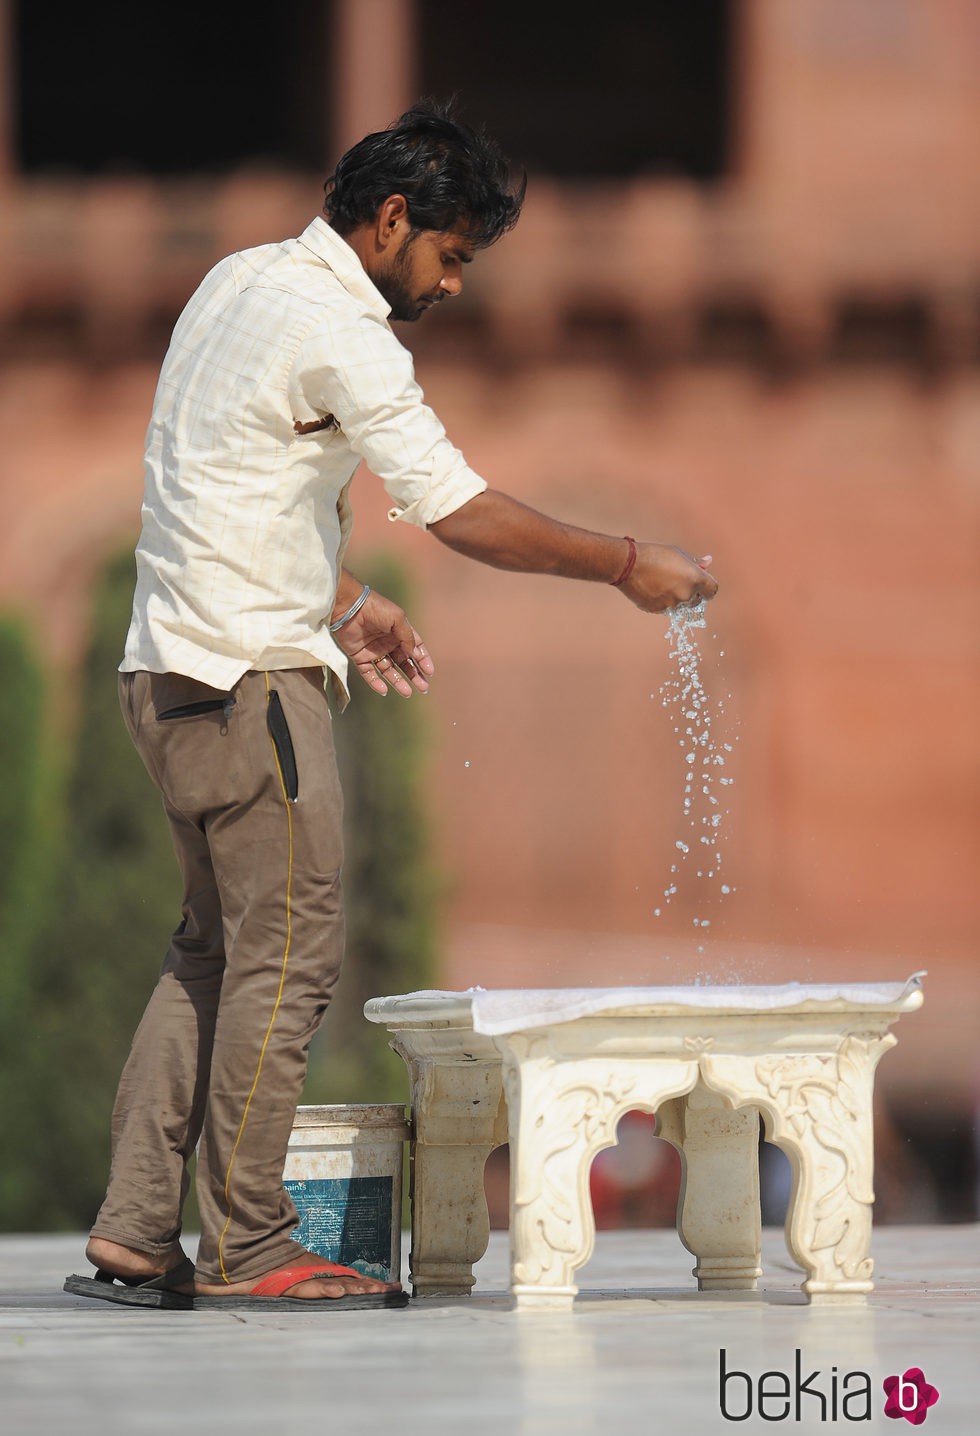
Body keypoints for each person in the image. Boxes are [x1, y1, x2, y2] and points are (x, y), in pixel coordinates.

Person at [65, 99, 717, 1311]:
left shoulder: (237, 279)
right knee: (287, 959)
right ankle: (251, 1243)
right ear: (393, 216)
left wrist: (343, 594)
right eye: (452, 256)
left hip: (163, 675)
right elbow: (458, 506)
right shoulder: (345, 331)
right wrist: (628, 564)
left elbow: (215, 482)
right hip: (251, 686)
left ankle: (133, 1231)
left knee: (207, 953)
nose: (455, 286)